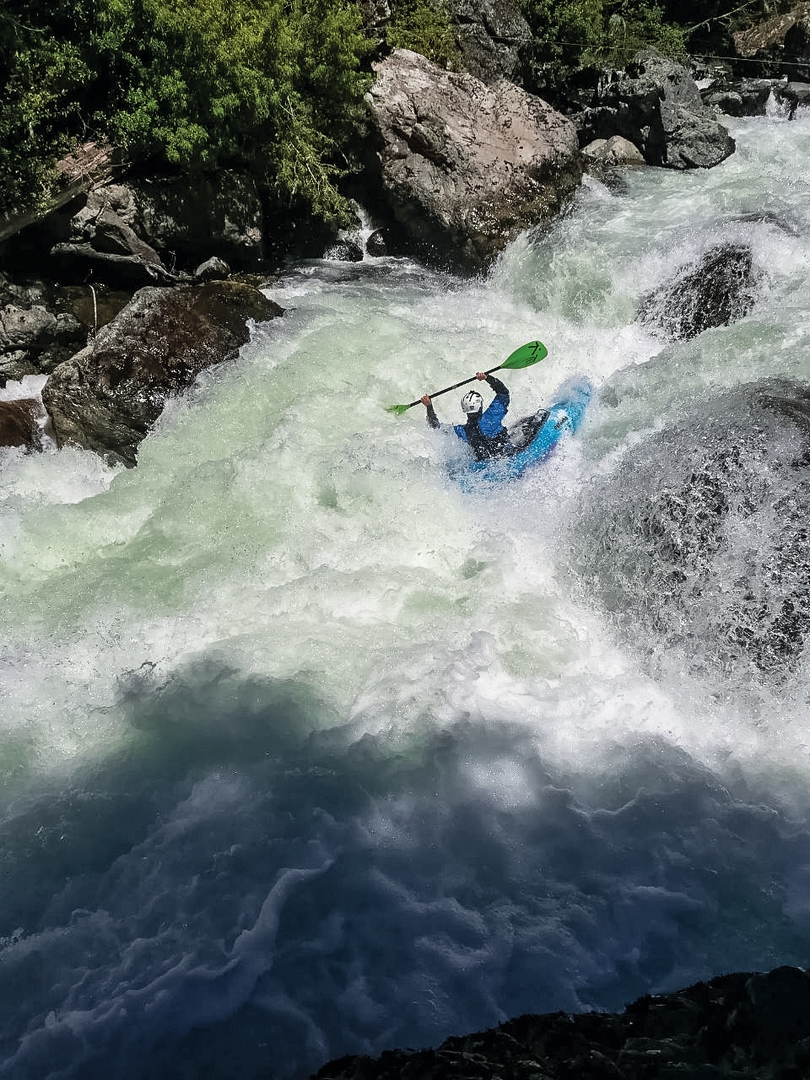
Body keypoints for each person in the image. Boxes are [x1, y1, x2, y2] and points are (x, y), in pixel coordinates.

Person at [421, 372, 512, 460]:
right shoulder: (492, 416)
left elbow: (436, 428)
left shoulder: (461, 431)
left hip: (484, 462)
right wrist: (487, 378)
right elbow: (503, 393)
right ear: (480, 405)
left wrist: (429, 406)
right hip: (505, 455)